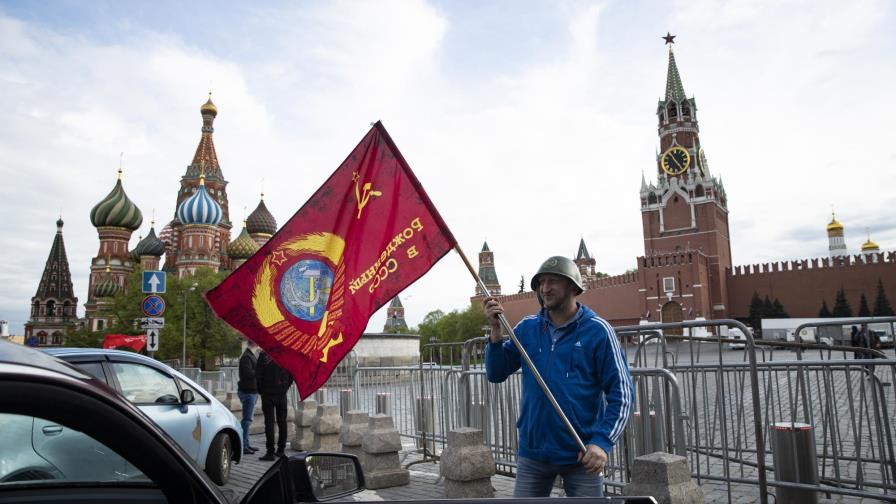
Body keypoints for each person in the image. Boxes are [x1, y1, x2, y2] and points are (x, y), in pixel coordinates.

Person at [483, 256, 633, 497]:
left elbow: (622, 394)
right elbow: (496, 373)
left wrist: (602, 442)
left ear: (573, 286)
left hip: (582, 454)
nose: (545, 288)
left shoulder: (598, 331)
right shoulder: (527, 328)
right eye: (541, 282)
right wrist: (495, 331)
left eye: (553, 281)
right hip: (533, 453)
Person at [255, 350, 294, 461]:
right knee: (282, 422)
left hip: (267, 393)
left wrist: (261, 390)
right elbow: (291, 374)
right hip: (281, 393)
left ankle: (270, 452)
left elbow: (258, 375)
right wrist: (285, 387)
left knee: (269, 423)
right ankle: (281, 450)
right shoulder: (286, 354)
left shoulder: (264, 355)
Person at [237, 340, 260, 455]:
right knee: (247, 420)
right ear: (255, 344)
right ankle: (243, 445)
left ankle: (246, 443)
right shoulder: (247, 357)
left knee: (248, 419)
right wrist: (259, 370)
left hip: (251, 391)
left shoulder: (250, 355)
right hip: (248, 392)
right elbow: (248, 374)